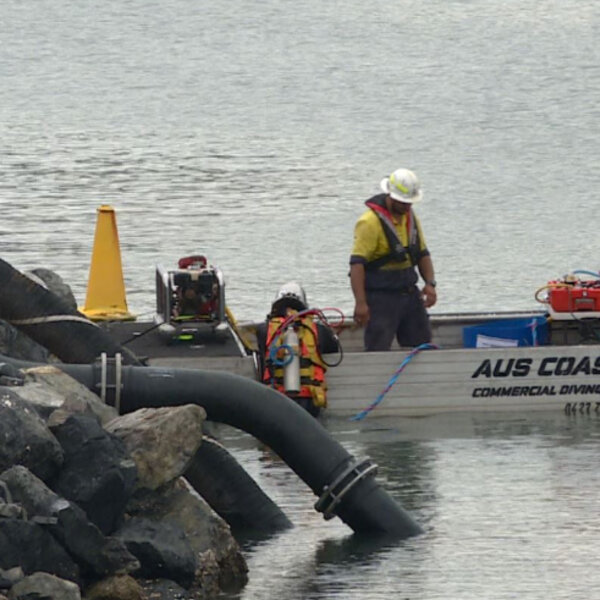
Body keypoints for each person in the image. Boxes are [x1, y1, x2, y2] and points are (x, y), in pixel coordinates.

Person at [349, 167, 437, 351]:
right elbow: (357, 266)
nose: (407, 207)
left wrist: (430, 283)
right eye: (403, 202)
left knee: (422, 345)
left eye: (410, 203)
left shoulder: (410, 218)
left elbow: (422, 253)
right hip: (381, 298)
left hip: (410, 294)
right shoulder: (369, 223)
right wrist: (361, 303)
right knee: (378, 348)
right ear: (390, 195)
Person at [256, 282, 341, 417]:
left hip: (276, 399)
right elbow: (334, 349)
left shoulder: (264, 329)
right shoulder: (319, 330)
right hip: (310, 400)